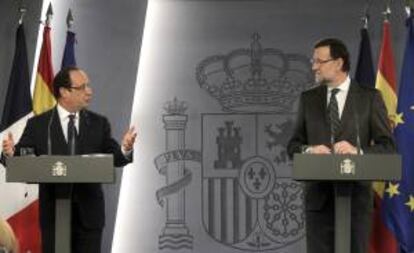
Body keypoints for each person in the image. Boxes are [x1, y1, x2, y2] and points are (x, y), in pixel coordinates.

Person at [1, 66, 137, 253]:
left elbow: (115, 156)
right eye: (82, 87)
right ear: (64, 92)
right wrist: (10, 153)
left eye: (88, 85)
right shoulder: (38, 124)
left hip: (89, 217)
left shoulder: (99, 123)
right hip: (54, 216)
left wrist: (125, 149)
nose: (89, 91)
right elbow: (22, 156)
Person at [287, 38, 395, 253]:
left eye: (319, 61)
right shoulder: (308, 99)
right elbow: (293, 146)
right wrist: (310, 150)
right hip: (319, 204)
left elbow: (387, 147)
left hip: (356, 203)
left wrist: (359, 151)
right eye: (313, 61)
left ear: (338, 63)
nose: (314, 66)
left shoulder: (369, 98)